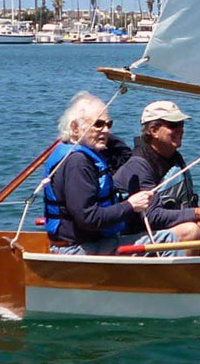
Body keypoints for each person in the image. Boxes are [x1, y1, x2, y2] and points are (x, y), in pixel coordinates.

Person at [43, 91, 174, 255]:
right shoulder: (77, 162)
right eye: (98, 124)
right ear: (75, 128)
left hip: (96, 241)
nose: (105, 130)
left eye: (108, 124)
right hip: (78, 249)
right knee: (168, 240)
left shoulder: (87, 154)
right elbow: (88, 218)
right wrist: (130, 205)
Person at [113, 100, 200, 255]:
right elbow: (152, 216)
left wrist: (198, 218)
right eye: (173, 125)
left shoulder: (174, 157)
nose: (180, 130)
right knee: (191, 231)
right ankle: (184, 269)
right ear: (154, 130)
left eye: (181, 124)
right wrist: (196, 214)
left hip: (169, 225)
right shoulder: (139, 164)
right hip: (139, 234)